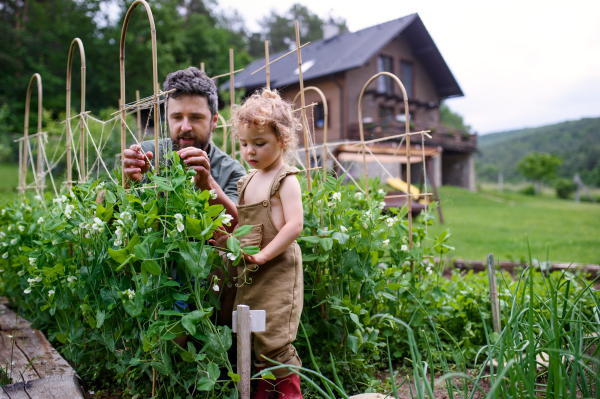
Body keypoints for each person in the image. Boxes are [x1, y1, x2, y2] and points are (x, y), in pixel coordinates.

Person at [219, 88, 305, 398]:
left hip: (278, 270)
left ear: (281, 140)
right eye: (244, 144)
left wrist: (266, 254)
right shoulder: (247, 181)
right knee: (254, 336)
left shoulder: (286, 179)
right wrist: (230, 240)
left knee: (275, 339)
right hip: (253, 270)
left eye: (259, 143)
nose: (250, 152)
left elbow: (295, 225)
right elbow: (245, 226)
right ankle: (263, 393)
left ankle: (289, 394)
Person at [122, 66, 246, 230]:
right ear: (167, 118)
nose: (185, 127)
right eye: (177, 117)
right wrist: (127, 184)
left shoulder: (231, 171)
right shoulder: (146, 156)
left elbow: (237, 229)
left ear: (214, 120)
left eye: (196, 117)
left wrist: (207, 186)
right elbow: (110, 222)